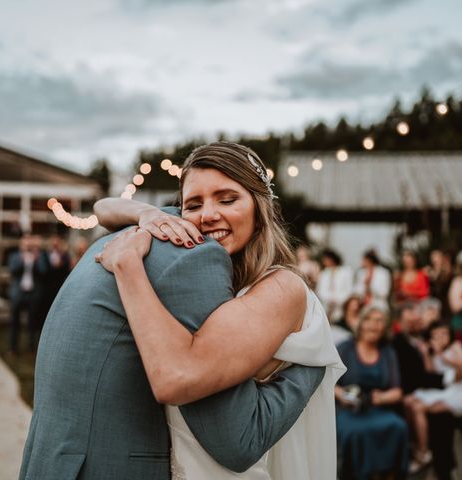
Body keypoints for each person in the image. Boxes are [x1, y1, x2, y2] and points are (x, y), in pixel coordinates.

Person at [19, 142, 329, 480]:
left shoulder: (270, 283)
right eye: (193, 204)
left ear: (260, 207)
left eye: (227, 200)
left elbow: (219, 419)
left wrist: (314, 365)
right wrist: (146, 213)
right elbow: (104, 206)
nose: (208, 214)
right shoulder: (187, 247)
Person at [392, 302, 462, 480]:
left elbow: (458, 363)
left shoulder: (439, 341)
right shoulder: (400, 343)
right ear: (400, 322)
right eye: (410, 321)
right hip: (430, 390)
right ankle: (440, 468)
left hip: (450, 391)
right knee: (433, 418)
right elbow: (422, 375)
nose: (415, 324)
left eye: (417, 320)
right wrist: (451, 372)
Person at [335, 303, 408, 479]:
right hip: (348, 409)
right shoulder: (345, 348)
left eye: (379, 320)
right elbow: (329, 383)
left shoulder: (388, 352)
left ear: (385, 327)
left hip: (377, 407)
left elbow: (397, 391)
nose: (373, 324)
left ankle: (389, 474)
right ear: (360, 322)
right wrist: (343, 396)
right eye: (368, 319)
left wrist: (381, 398)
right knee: (354, 433)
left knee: (398, 426)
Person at [405, 321, 462, 472]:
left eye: (444, 334)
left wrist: (441, 355)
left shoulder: (456, 346)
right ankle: (418, 446)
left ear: (450, 334)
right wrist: (426, 353)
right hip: (444, 390)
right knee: (409, 403)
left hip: (458, 391)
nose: (441, 338)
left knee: (419, 408)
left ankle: (423, 451)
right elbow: (431, 371)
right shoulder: (433, 351)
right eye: (436, 335)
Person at [7, 234, 48, 354]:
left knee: (32, 322)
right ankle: (13, 347)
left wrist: (36, 259)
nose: (27, 246)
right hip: (18, 293)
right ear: (21, 245)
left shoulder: (39, 256)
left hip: (33, 294)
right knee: (14, 321)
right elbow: (12, 270)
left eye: (29, 244)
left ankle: (32, 347)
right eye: (25, 244)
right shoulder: (15, 256)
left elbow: (43, 270)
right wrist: (22, 260)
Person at [316, 248, 353, 323]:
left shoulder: (345, 271)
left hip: (341, 306)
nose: (324, 262)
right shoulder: (324, 273)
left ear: (331, 259)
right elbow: (320, 290)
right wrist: (330, 299)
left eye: (326, 259)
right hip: (326, 306)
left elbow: (349, 290)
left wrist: (338, 300)